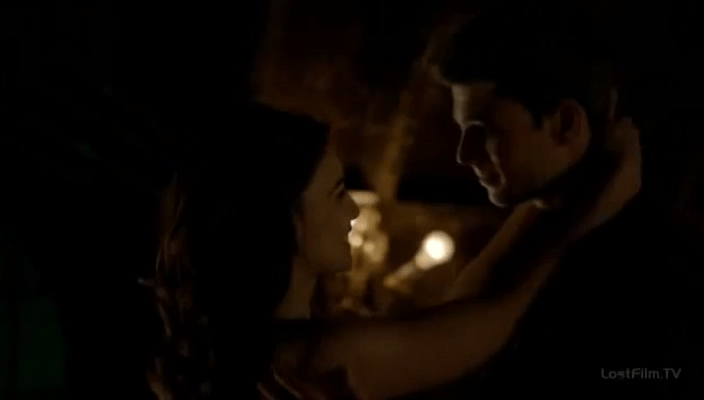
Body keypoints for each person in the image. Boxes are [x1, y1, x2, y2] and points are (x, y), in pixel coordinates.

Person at [145, 101, 585, 400]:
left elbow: (469, 307)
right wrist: (575, 192)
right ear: (283, 218)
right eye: (338, 193)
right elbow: (492, 318)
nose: (354, 210)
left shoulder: (235, 347)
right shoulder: (319, 355)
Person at [394, 1, 700, 398]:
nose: (463, 155)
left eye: (485, 129)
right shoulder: (537, 233)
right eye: (462, 130)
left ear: (565, 124)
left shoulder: (654, 268)